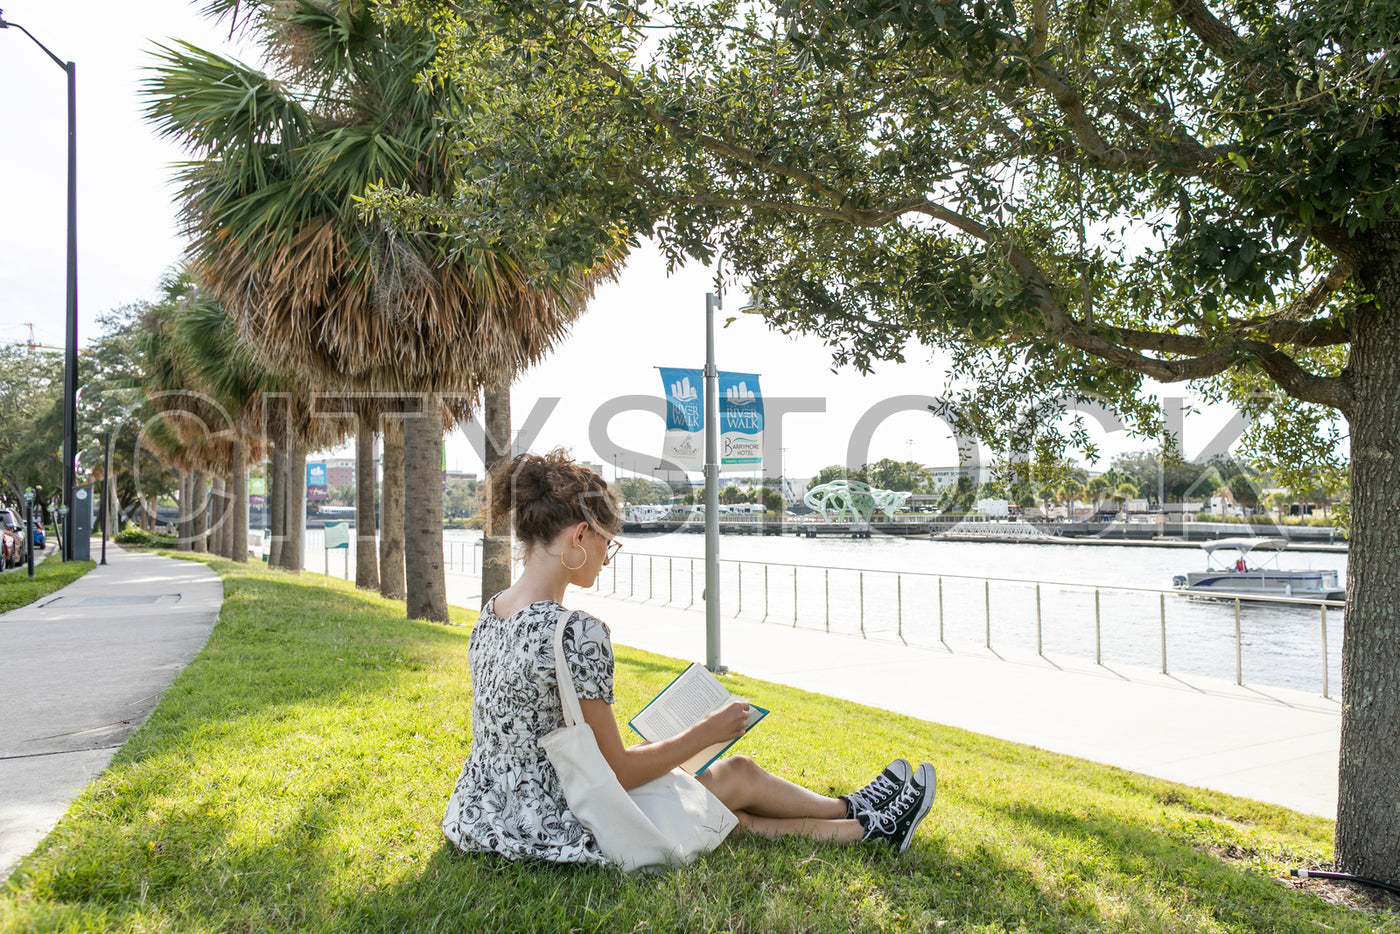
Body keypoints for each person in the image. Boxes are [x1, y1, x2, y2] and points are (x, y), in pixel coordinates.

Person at [442, 449, 936, 865]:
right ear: (578, 537)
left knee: (726, 812)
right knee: (735, 772)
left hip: (487, 813)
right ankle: (858, 811)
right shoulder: (576, 632)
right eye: (605, 545)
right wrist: (707, 732)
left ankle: (864, 823)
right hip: (559, 819)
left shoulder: (491, 614)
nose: (604, 558)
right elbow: (620, 774)